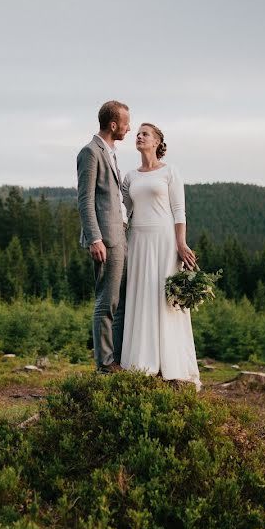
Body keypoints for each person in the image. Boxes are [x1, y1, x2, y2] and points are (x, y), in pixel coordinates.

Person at [120, 123, 201, 389]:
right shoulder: (130, 176)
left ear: (157, 142)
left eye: (145, 134)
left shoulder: (170, 172)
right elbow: (124, 211)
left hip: (166, 240)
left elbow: (179, 210)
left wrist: (181, 243)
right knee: (141, 295)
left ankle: (172, 363)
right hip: (139, 240)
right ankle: (142, 362)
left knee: (165, 298)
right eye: (138, 134)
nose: (139, 136)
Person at [77, 101, 132, 373]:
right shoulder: (90, 152)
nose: (129, 128)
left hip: (119, 237)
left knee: (121, 303)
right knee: (106, 302)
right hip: (106, 240)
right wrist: (95, 238)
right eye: (125, 123)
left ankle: (118, 359)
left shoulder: (110, 152)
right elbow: (85, 200)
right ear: (113, 125)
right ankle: (105, 364)